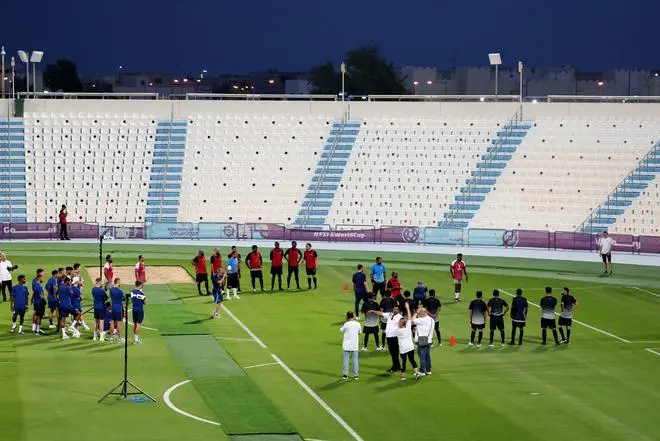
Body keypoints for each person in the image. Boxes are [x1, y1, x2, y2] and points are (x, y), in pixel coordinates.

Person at [396, 303, 420, 380]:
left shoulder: (398, 331)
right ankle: (416, 373)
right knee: (412, 360)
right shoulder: (408, 327)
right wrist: (408, 308)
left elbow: (407, 319)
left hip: (403, 348)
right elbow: (409, 317)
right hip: (410, 347)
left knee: (403, 362)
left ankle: (403, 376)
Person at [412, 308, 434, 375]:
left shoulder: (422, 320)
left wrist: (416, 313)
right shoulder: (431, 319)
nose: (419, 314)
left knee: (422, 356)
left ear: (424, 313)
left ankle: (422, 371)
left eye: (420, 313)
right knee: (427, 356)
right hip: (429, 340)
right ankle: (428, 370)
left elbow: (411, 320)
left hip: (422, 340)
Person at [340, 311, 361, 380]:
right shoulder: (358, 324)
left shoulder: (346, 324)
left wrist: (345, 322)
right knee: (355, 360)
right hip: (354, 345)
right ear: (353, 316)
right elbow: (359, 332)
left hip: (347, 345)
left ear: (347, 316)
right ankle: (356, 375)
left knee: (346, 360)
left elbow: (341, 330)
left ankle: (345, 375)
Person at [109, 278, 125, 343]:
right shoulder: (120, 291)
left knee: (112, 322)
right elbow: (123, 299)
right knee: (119, 323)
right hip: (118, 309)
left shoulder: (111, 290)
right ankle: (120, 338)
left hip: (113, 308)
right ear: (118, 282)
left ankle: (111, 337)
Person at [31, 269, 46, 335]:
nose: (43, 276)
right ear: (39, 276)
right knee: (39, 316)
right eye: (43, 275)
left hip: (36, 301)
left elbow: (34, 292)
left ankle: (36, 329)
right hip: (39, 303)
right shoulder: (38, 286)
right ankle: (37, 330)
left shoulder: (35, 283)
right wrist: (45, 301)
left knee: (37, 315)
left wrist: (32, 298)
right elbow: (41, 296)